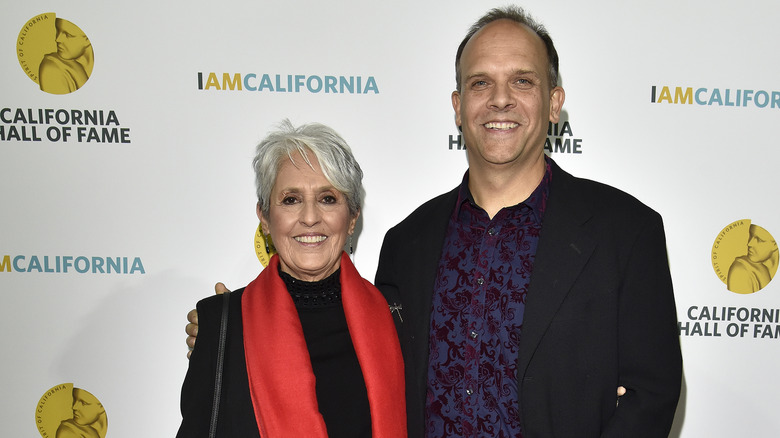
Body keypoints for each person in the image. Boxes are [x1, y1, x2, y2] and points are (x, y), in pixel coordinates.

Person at [187, 6, 682, 437]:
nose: (500, 99)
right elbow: (353, 361)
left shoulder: (626, 232)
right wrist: (235, 337)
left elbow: (652, 394)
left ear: (554, 103)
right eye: (480, 82)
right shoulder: (409, 241)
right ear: (458, 106)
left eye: (522, 81)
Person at [177, 120, 406, 437]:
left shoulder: (395, 318)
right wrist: (220, 333)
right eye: (290, 199)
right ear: (265, 218)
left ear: (352, 218)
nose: (310, 217)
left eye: (328, 198)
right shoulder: (221, 325)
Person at [38, 18, 94, 94]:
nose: (57, 39)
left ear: (87, 39)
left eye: (68, 35)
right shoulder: (52, 67)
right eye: (57, 30)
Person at [727, 224, 779, 293]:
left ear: (775, 244)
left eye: (759, 240)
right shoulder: (740, 270)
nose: (749, 244)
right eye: (750, 235)